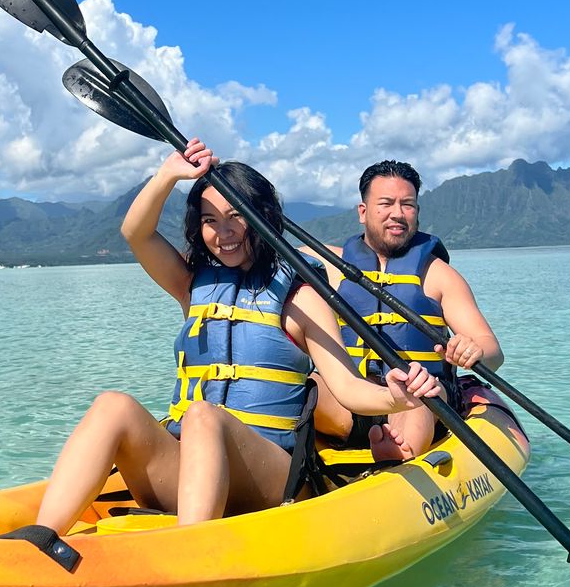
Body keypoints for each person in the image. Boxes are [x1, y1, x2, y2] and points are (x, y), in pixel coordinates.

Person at [35, 140, 445, 533]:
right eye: (210, 221)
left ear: (262, 217)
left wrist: (397, 397)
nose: (224, 233)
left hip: (266, 476)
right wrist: (168, 175)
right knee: (113, 405)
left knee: (203, 417)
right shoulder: (191, 285)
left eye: (236, 217)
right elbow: (136, 234)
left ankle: (191, 553)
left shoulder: (300, 298)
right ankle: (40, 537)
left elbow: (348, 388)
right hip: (187, 470)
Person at [307, 160, 504, 462]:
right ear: (363, 212)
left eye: (407, 205)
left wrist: (473, 350)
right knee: (299, 385)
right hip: (349, 400)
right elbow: (262, 250)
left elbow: (493, 352)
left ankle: (397, 455)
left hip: (419, 397)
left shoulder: (439, 276)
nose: (397, 213)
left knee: (422, 393)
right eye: (386, 203)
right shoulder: (328, 265)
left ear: (417, 212)